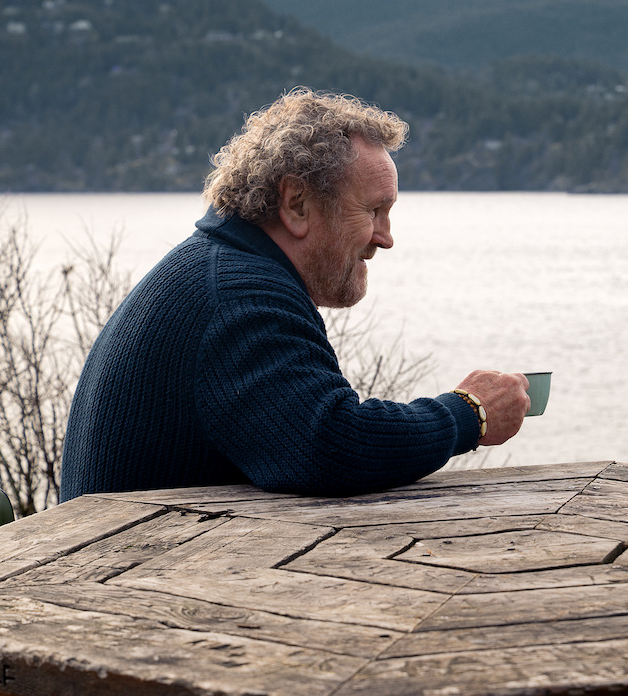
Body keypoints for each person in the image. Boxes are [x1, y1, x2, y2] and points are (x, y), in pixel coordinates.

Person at [60, 88, 530, 501]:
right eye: (374, 211)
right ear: (297, 204)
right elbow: (331, 444)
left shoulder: (224, 268)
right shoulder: (239, 297)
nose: (385, 237)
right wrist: (470, 413)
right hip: (122, 585)